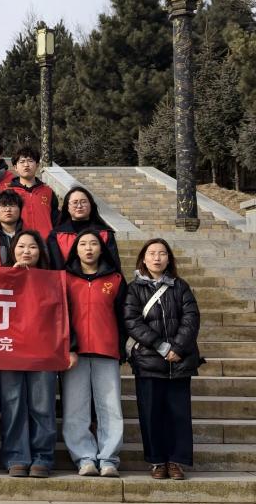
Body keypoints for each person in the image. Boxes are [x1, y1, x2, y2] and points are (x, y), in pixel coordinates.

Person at [125, 239, 201, 481]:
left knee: (179, 414)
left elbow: (191, 318)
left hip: (179, 361)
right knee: (151, 414)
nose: (157, 258)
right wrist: (160, 345)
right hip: (148, 361)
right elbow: (132, 321)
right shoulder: (134, 289)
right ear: (143, 258)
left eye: (162, 253)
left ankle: (176, 461)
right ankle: (157, 461)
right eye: (151, 253)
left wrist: (177, 347)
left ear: (169, 258)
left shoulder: (181, 286)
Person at [62, 229, 126, 478]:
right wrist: (67, 347)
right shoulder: (65, 278)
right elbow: (60, 316)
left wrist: (122, 348)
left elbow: (123, 316)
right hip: (74, 354)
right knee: (75, 409)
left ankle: (109, 458)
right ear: (75, 250)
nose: (88, 248)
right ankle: (84, 458)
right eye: (83, 244)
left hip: (106, 350)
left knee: (110, 408)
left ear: (102, 249)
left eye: (93, 244)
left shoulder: (116, 279)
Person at [0, 230, 57, 478]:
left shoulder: (52, 280)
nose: (26, 251)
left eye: (32, 247)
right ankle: (16, 456)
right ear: (12, 250)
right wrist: (11, 277)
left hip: (43, 351)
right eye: (21, 246)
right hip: (10, 350)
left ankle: (42, 456)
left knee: (42, 405)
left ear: (40, 252)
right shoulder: (1, 278)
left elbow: (62, 316)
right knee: (13, 404)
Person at [47, 186, 120, 270]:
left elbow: (113, 265)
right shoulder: (56, 235)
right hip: (66, 277)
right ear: (67, 207)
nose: (79, 206)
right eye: (75, 202)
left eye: (83, 202)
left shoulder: (105, 233)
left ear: (91, 205)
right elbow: (55, 267)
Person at [9, 146, 57, 237]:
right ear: (15, 167)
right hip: (19, 242)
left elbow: (56, 220)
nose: (26, 165)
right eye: (22, 162)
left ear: (37, 165)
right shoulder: (9, 193)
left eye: (30, 161)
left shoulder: (48, 192)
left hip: (46, 242)